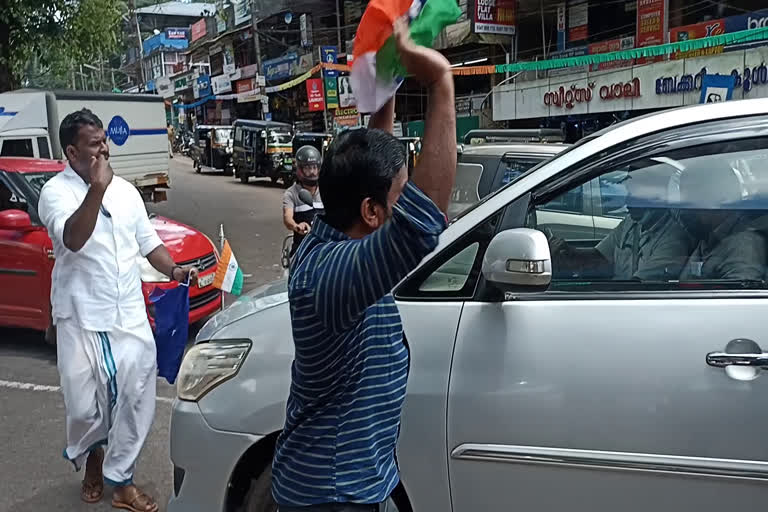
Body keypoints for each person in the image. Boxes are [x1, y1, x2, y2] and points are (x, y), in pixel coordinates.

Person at [271, 21, 456, 511]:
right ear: (372, 212)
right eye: (400, 194)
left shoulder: (341, 227)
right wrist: (440, 82)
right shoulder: (332, 277)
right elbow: (421, 225)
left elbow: (378, 157)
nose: (406, 200)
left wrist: (386, 82)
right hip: (332, 495)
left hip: (357, 481)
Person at [38, 108, 198, 512]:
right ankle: (93, 455)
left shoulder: (126, 192)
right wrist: (96, 190)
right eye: (95, 144)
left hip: (127, 312)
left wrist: (176, 269)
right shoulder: (55, 192)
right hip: (80, 315)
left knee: (136, 393)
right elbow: (73, 239)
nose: (104, 149)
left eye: (105, 140)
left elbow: (149, 244)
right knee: (84, 406)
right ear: (72, 152)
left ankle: (121, 479)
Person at [550, 165, 693, 281]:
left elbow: (637, 289)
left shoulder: (673, 240)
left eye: (634, 195)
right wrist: (568, 254)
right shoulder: (630, 224)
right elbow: (599, 257)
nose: (627, 202)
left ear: (655, 197)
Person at [677, 160, 766, 281]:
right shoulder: (708, 238)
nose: (684, 211)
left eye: (691, 201)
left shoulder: (742, 246)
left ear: (721, 199)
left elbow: (739, 298)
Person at [282, 145, 324, 257]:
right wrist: (297, 226)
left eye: (315, 167)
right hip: (302, 250)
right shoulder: (291, 193)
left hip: (325, 248)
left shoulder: (326, 191)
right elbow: (287, 218)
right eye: (308, 168)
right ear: (300, 170)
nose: (312, 172)